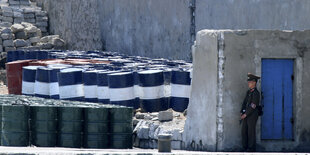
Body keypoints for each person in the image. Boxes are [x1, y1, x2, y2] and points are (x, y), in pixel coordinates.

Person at [240, 73, 260, 152]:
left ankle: (251, 148)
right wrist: (242, 111)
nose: (248, 83)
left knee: (251, 132)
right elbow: (244, 102)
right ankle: (245, 147)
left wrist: (245, 114)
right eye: (248, 82)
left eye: (250, 82)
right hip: (246, 115)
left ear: (254, 82)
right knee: (244, 131)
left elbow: (253, 105)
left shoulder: (256, 93)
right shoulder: (249, 92)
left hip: (252, 115)